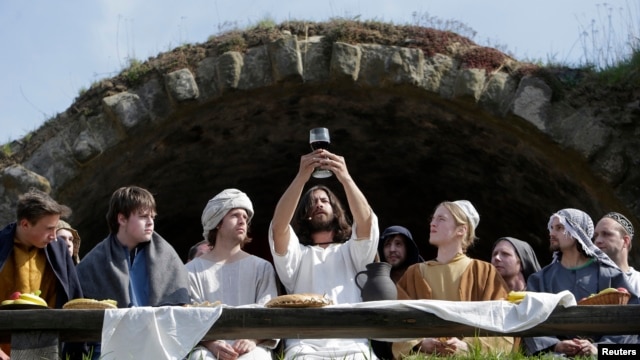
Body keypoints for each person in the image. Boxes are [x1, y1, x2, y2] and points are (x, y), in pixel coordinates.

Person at [269, 148, 379, 360]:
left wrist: (345, 177)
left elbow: (365, 222)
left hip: (354, 345)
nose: (318, 204)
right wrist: (302, 177)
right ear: (305, 216)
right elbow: (279, 227)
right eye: (312, 202)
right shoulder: (298, 255)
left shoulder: (352, 252)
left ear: (336, 210)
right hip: (305, 348)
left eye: (324, 200)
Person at [76, 186, 190, 359]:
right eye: (143, 216)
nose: (151, 222)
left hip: (159, 344)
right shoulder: (95, 262)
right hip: (109, 348)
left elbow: (180, 309)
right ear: (122, 219)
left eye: (152, 217)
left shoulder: (167, 256)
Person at [392, 200, 512, 359]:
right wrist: (420, 343)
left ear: (461, 230)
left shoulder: (484, 272)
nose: (432, 224)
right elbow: (397, 320)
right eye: (433, 219)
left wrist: (467, 346)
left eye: (441, 219)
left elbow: (502, 319)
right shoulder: (413, 274)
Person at [524, 208, 638, 357]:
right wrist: (555, 345)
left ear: (577, 231)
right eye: (551, 228)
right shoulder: (540, 279)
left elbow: (630, 322)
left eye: (559, 228)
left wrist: (599, 350)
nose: (552, 233)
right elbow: (528, 318)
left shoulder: (611, 275)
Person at [187, 188, 278, 360]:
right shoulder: (192, 270)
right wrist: (212, 344)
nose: (242, 221)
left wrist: (253, 339)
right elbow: (189, 317)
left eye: (245, 217)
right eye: (235, 215)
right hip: (206, 345)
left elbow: (270, 313)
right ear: (217, 222)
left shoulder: (262, 267)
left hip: (252, 346)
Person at [0, 189, 83, 359]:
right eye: (49, 229)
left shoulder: (59, 250)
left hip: (49, 349)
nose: (54, 236)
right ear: (25, 224)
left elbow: (74, 300)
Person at [372, 225, 423, 360]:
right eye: (387, 245)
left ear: (408, 248)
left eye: (398, 244)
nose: (392, 249)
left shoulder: (422, 277)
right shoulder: (376, 283)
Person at [593, 212, 640, 294]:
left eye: (606, 234)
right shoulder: (585, 280)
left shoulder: (638, 281)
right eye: (596, 236)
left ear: (625, 241)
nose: (598, 241)